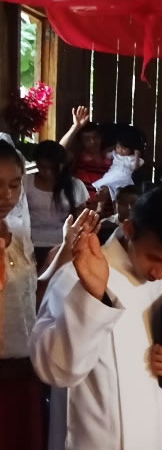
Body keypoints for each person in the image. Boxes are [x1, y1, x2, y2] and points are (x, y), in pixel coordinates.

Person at [30, 184, 162, 450]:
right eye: (153, 257)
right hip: (96, 439)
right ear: (129, 229)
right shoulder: (76, 276)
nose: (159, 273)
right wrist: (92, 297)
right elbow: (54, 369)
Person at [0, 141, 41, 450]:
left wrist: (64, 254)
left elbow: (28, 293)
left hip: (25, 366)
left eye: (14, 185)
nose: (6, 196)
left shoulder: (19, 235)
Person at [25, 141, 89, 267]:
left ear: (62, 165)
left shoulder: (75, 185)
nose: (47, 172)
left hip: (63, 245)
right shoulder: (25, 182)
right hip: (29, 243)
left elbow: (82, 218)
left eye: (52, 168)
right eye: (42, 167)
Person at [59, 106, 112, 197]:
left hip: (107, 205)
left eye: (95, 137)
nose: (93, 142)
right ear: (81, 142)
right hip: (82, 205)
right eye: (87, 139)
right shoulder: (77, 158)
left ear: (101, 137)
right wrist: (75, 127)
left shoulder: (112, 158)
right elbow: (57, 152)